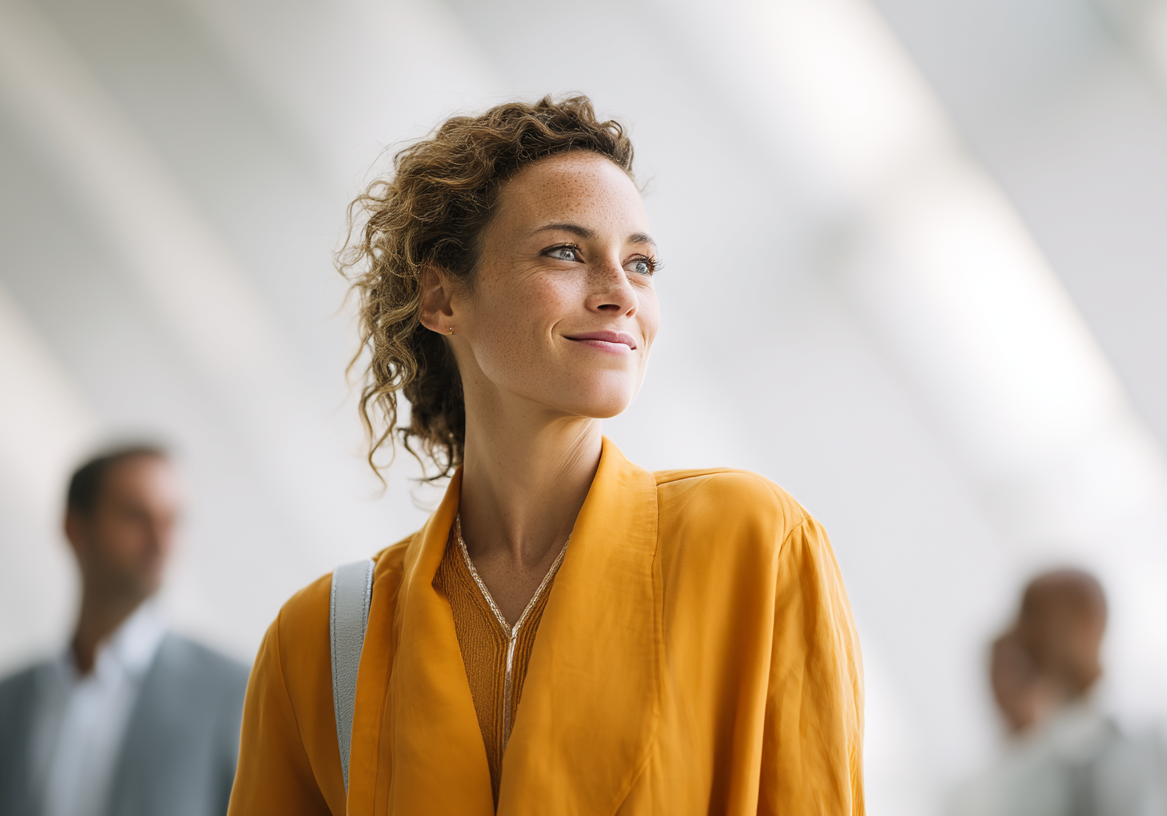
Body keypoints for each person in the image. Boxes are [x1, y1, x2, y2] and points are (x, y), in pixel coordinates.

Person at [228, 95, 864, 815]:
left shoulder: (752, 542)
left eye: (642, 262)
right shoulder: (319, 642)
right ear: (442, 296)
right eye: (565, 252)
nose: (621, 293)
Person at [0, 445, 249, 816]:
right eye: (136, 517)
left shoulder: (232, 694)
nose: (161, 542)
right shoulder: (10, 700)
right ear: (75, 529)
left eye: (173, 520)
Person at [948, 569, 1167, 816]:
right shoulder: (1028, 768)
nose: (1024, 635)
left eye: (1035, 616)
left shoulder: (1159, 738)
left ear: (1087, 619)